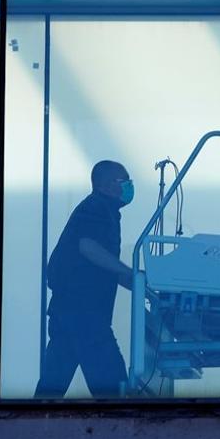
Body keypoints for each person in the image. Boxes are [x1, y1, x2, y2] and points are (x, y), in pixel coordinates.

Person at [35, 160, 135, 398]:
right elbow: (88, 247)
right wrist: (130, 274)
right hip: (85, 314)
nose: (129, 187)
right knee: (115, 388)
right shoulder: (96, 208)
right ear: (108, 184)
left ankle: (26, 430)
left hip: (68, 314)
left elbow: (103, 265)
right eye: (125, 182)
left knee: (51, 388)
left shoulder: (105, 211)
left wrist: (140, 285)